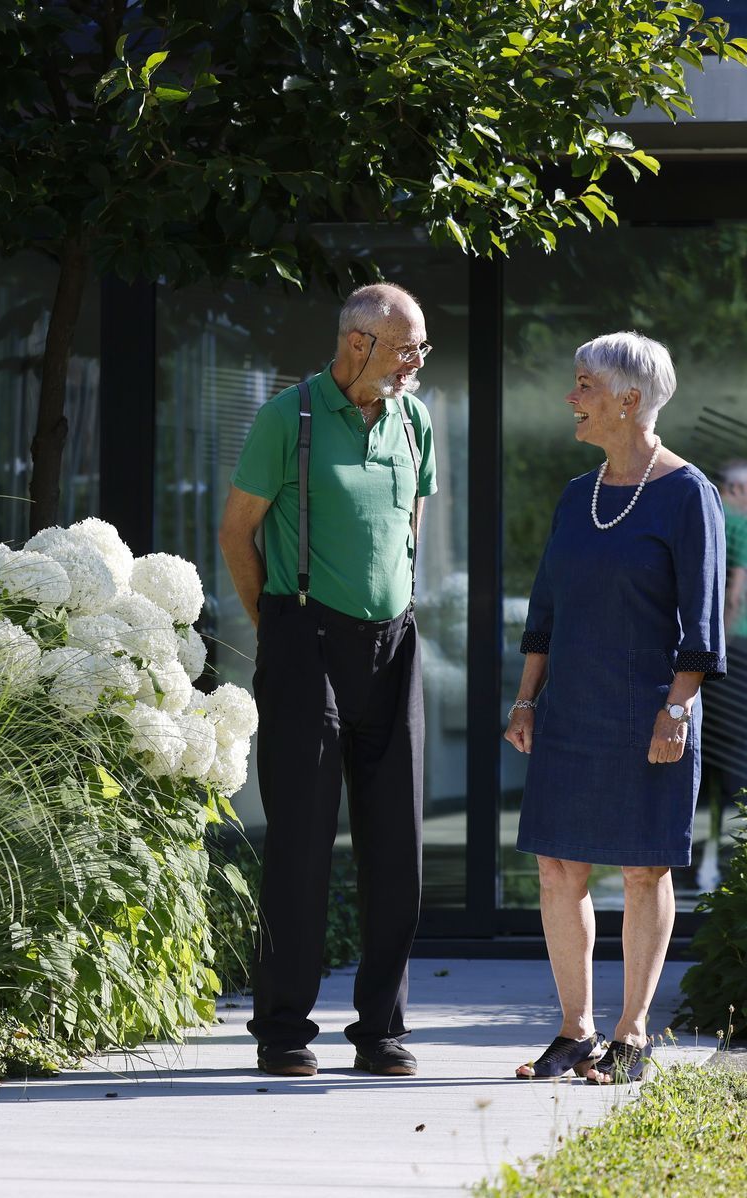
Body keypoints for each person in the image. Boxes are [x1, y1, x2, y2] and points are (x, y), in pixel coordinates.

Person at [219, 282, 438, 1079]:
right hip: (304, 637)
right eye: (406, 347)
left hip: (393, 643)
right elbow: (236, 532)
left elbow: (409, 521)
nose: (416, 361)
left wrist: (395, 602)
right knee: (302, 846)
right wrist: (276, 624)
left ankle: (380, 1031)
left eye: (420, 348)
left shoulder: (414, 420)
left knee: (398, 851)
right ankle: (282, 1030)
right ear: (357, 344)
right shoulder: (291, 418)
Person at [502, 331, 725, 1086]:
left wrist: (676, 711)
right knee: (558, 868)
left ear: (629, 400)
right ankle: (574, 1032)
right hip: (570, 707)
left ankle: (630, 1035)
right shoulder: (576, 495)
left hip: (649, 709)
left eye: (585, 385)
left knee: (640, 870)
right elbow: (546, 609)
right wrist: (526, 696)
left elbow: (702, 625)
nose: (572, 397)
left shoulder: (687, 492)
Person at [705, 460, 747, 807]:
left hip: (705, 642)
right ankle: (740, 840)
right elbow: (738, 591)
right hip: (731, 642)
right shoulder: (743, 526)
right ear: (736, 490)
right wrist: (721, 648)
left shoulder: (708, 519)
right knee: (736, 741)